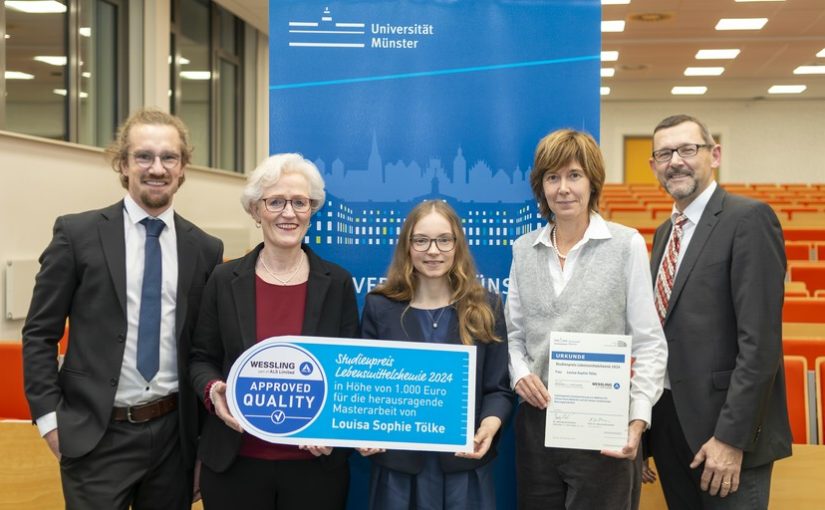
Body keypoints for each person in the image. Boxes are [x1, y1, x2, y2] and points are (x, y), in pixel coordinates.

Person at [21, 108, 224, 509]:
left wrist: (204, 445)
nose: (157, 168)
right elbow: (39, 334)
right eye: (143, 156)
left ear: (183, 168)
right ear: (123, 163)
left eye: (169, 157)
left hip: (173, 443)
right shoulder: (76, 235)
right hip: (96, 437)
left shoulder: (204, 248)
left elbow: (204, 350)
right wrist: (49, 422)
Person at [506, 128, 667, 510]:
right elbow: (514, 336)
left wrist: (638, 419)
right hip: (538, 427)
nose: (563, 188)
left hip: (603, 427)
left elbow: (649, 343)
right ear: (540, 186)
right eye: (552, 177)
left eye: (574, 175)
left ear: (593, 181)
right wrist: (519, 374)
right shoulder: (523, 250)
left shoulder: (625, 245)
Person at [189, 153, 359, 509]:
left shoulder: (337, 282)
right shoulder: (223, 279)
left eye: (300, 202)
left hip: (314, 467)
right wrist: (213, 391)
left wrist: (334, 427)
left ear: (312, 210)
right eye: (276, 201)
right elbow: (201, 358)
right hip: (236, 462)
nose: (289, 212)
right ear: (255, 211)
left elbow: (349, 369)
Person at [646, 114, 792, 509]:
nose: (675, 160)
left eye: (687, 149)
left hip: (724, 433)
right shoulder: (664, 233)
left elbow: (760, 345)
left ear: (715, 155)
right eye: (663, 153)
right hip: (671, 427)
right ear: (654, 166)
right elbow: (659, 333)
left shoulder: (749, 219)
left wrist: (731, 438)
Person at [359, 200, 513, 510]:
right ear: (408, 246)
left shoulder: (486, 306)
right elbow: (364, 390)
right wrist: (364, 430)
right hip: (398, 473)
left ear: (457, 245)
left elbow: (498, 389)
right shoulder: (380, 306)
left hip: (463, 469)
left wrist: (489, 427)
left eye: (444, 240)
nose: (433, 250)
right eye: (421, 240)